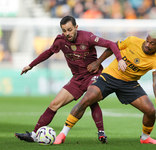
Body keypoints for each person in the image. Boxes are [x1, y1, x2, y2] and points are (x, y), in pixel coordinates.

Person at [15, 15, 126, 143]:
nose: (67, 33)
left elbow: (110, 44)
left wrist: (120, 60)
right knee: (54, 104)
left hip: (93, 75)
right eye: (64, 30)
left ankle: (101, 132)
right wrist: (30, 65)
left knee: (90, 98)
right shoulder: (60, 41)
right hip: (77, 79)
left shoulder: (87, 37)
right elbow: (48, 52)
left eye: (70, 30)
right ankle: (34, 135)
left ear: (76, 27)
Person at [54, 29, 156, 145]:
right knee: (86, 99)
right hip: (109, 77)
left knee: (151, 111)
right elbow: (112, 47)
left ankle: (145, 137)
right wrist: (98, 62)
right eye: (147, 41)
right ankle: (63, 133)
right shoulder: (132, 40)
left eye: (152, 43)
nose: (147, 45)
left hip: (129, 83)